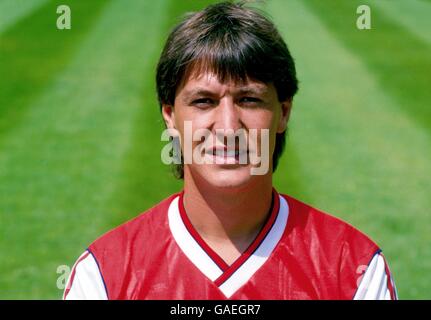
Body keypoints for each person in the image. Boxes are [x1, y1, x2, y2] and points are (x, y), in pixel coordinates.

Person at [63, 1, 397, 300]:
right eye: (203, 101)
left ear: (284, 112)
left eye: (248, 99)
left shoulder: (353, 268)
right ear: (170, 116)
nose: (227, 127)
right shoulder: (104, 276)